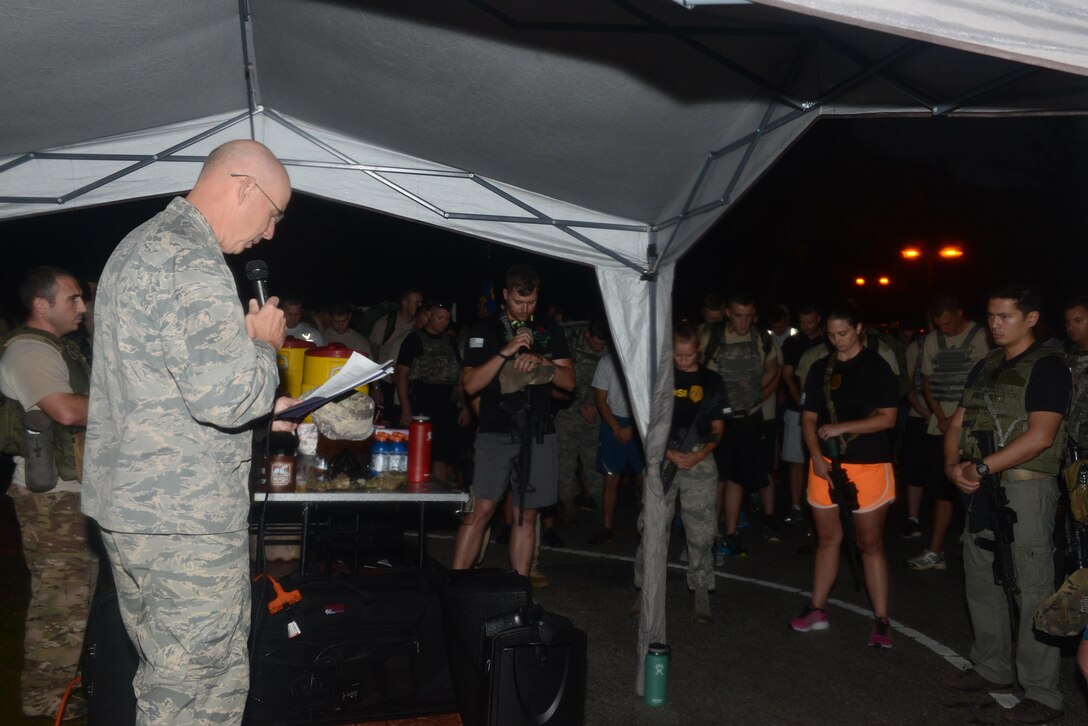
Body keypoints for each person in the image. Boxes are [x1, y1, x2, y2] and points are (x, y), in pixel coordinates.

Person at [82, 139, 298, 725]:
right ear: (244, 187)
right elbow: (226, 398)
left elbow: (163, 388)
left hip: (138, 506)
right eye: (273, 214)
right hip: (184, 517)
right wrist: (263, 347)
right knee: (195, 686)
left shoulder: (138, 246)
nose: (270, 233)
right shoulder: (189, 258)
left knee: (179, 673)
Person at [940, 284, 1070, 725]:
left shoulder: (1049, 367)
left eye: (1004, 317)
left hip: (1024, 489)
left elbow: (1042, 436)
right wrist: (953, 466)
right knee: (982, 578)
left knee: (1032, 588)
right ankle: (992, 666)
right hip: (981, 486)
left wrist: (982, 468)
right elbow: (956, 422)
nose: (994, 324)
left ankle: (1042, 692)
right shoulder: (988, 364)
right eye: (991, 316)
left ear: (1031, 318)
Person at [0, 266, 96, 719]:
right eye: (73, 299)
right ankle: (43, 699)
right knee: (60, 600)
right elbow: (64, 410)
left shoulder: (61, 347)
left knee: (76, 597)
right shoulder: (28, 350)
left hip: (72, 492)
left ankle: (62, 689)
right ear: (42, 304)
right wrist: (133, 405)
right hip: (52, 497)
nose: (82, 307)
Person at [450, 264, 574, 578]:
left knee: (525, 515)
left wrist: (544, 361)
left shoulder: (549, 329)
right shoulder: (483, 330)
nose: (525, 309)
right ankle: (455, 585)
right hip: (496, 430)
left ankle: (520, 592)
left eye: (531, 302)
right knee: (482, 509)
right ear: (505, 296)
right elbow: (471, 385)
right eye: (519, 302)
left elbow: (570, 383)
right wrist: (505, 352)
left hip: (538, 433)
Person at [790, 302, 898, 648]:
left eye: (844, 333)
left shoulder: (877, 367)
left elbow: (888, 418)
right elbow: (807, 419)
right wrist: (816, 457)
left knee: (869, 544)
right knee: (827, 540)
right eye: (831, 334)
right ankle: (816, 608)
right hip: (825, 464)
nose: (837, 340)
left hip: (868, 464)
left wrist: (841, 428)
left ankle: (881, 620)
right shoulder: (821, 367)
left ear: (859, 329)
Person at [632, 321, 725, 622]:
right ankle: (645, 590)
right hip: (663, 459)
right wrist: (668, 453)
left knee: (701, 531)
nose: (684, 361)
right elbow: (646, 425)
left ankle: (701, 590)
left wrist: (699, 455)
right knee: (653, 529)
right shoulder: (661, 379)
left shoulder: (712, 381)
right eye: (679, 355)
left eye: (689, 355)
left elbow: (718, 429)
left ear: (697, 349)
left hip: (699, 461)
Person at [905, 296, 990, 570]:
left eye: (949, 323)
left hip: (975, 427)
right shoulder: (932, 340)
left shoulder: (980, 336)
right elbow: (927, 383)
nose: (945, 330)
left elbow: (985, 380)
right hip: (940, 427)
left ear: (960, 312)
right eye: (940, 325)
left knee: (978, 491)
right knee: (942, 490)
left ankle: (981, 557)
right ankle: (936, 552)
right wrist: (941, 417)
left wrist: (957, 418)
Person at [702, 292, 780, 557]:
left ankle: (731, 533)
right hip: (719, 421)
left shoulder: (761, 337)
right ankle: (710, 533)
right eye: (738, 315)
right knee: (717, 478)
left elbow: (773, 368)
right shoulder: (710, 337)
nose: (744, 321)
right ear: (727, 313)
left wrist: (760, 392)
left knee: (738, 478)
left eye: (748, 316)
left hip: (750, 418)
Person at [395, 300, 470, 482]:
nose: (444, 322)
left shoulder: (450, 343)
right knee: (419, 456)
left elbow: (458, 378)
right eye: (440, 317)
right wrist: (406, 409)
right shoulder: (414, 340)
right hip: (422, 407)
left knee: (442, 456)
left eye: (447, 318)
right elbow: (401, 375)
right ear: (429, 316)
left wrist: (465, 407)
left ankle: (440, 501)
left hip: (447, 409)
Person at [588, 347, 644, 544]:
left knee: (643, 477)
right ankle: (607, 528)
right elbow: (601, 399)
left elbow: (649, 399)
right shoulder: (606, 362)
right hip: (613, 424)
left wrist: (632, 428)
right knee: (611, 478)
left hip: (638, 423)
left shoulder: (642, 358)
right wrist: (616, 428)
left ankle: (649, 526)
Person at [554, 319, 610, 514]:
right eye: (596, 343)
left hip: (594, 418)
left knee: (594, 465)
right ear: (588, 336)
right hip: (567, 416)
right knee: (565, 466)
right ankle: (568, 508)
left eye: (602, 345)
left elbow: (615, 387)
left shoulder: (609, 353)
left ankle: (602, 509)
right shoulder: (570, 348)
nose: (599, 348)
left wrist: (596, 408)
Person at [780, 303, 825, 524]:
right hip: (795, 408)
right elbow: (788, 376)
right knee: (796, 459)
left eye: (811, 321)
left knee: (819, 456)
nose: (807, 326)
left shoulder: (827, 342)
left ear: (819, 318)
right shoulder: (793, 343)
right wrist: (801, 403)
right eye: (803, 322)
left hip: (822, 412)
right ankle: (796, 505)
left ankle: (819, 503)